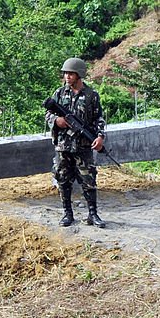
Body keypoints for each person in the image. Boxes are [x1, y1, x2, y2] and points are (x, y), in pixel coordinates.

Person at [45, 57, 107, 228]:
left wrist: (100, 137)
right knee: (62, 178)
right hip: (63, 145)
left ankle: (92, 214)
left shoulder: (91, 96)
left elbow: (99, 119)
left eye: (71, 74)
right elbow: (48, 114)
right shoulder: (59, 94)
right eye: (65, 73)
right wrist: (56, 120)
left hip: (83, 146)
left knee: (88, 180)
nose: (67, 77)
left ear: (79, 75)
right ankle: (67, 213)